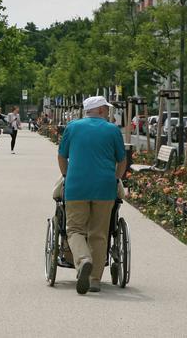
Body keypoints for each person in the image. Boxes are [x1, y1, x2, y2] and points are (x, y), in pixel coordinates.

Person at [57, 96, 127, 294]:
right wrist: (115, 179)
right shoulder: (112, 130)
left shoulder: (72, 127)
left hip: (76, 186)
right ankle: (95, 279)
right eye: (106, 108)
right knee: (99, 233)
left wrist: (66, 175)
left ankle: (83, 260)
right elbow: (121, 161)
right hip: (104, 188)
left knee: (75, 230)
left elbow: (62, 156)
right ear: (101, 110)